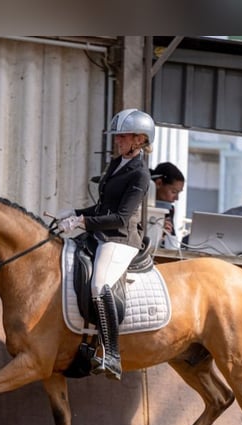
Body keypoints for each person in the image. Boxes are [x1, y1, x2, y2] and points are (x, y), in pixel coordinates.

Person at [57, 108, 154, 380]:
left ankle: (111, 354)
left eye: (123, 136)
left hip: (120, 239)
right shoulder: (116, 164)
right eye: (118, 136)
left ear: (139, 140)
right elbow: (102, 207)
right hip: (101, 233)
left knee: (100, 285)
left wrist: (81, 223)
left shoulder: (140, 175)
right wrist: (75, 213)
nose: (117, 140)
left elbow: (121, 217)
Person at [150, 162, 186, 249]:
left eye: (178, 193)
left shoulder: (170, 210)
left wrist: (167, 235)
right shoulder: (139, 202)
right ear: (158, 184)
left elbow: (172, 246)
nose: (176, 198)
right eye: (173, 192)